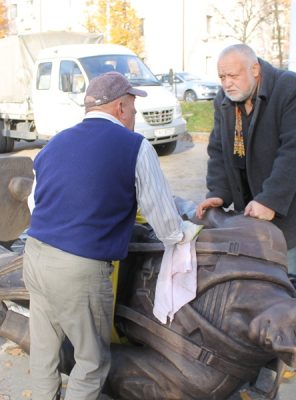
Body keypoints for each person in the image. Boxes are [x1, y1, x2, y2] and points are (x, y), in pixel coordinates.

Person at [0, 208, 296, 400]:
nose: (281, 343)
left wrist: (12, 328)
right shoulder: (261, 241)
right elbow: (191, 215)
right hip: (111, 237)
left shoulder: (206, 379)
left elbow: (101, 367)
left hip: (88, 306)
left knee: (11, 276)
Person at [24, 71, 200, 399]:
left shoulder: (56, 142)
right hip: (78, 270)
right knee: (91, 362)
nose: (134, 116)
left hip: (35, 255)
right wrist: (183, 234)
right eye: (133, 108)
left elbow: (35, 202)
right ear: (120, 107)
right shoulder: (134, 146)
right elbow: (164, 219)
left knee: (45, 353)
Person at [195, 44, 296, 293]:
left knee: (292, 286)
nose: (227, 83)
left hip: (292, 210)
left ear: (255, 69)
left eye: (233, 76)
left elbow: (295, 151)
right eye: (222, 77)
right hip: (253, 213)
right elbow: (219, 150)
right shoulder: (224, 100)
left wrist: (270, 201)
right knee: (261, 287)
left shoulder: (290, 88)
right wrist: (218, 192)